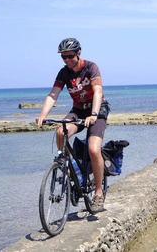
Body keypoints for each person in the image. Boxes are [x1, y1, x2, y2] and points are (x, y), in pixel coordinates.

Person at [36, 38, 109, 213]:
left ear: (78, 53)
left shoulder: (90, 67)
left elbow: (98, 91)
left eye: (70, 56)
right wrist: (42, 115)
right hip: (77, 110)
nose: (67, 60)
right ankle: (68, 166)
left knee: (93, 149)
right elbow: (53, 94)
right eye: (63, 57)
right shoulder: (64, 73)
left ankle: (98, 193)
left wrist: (93, 114)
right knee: (60, 132)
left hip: (97, 111)